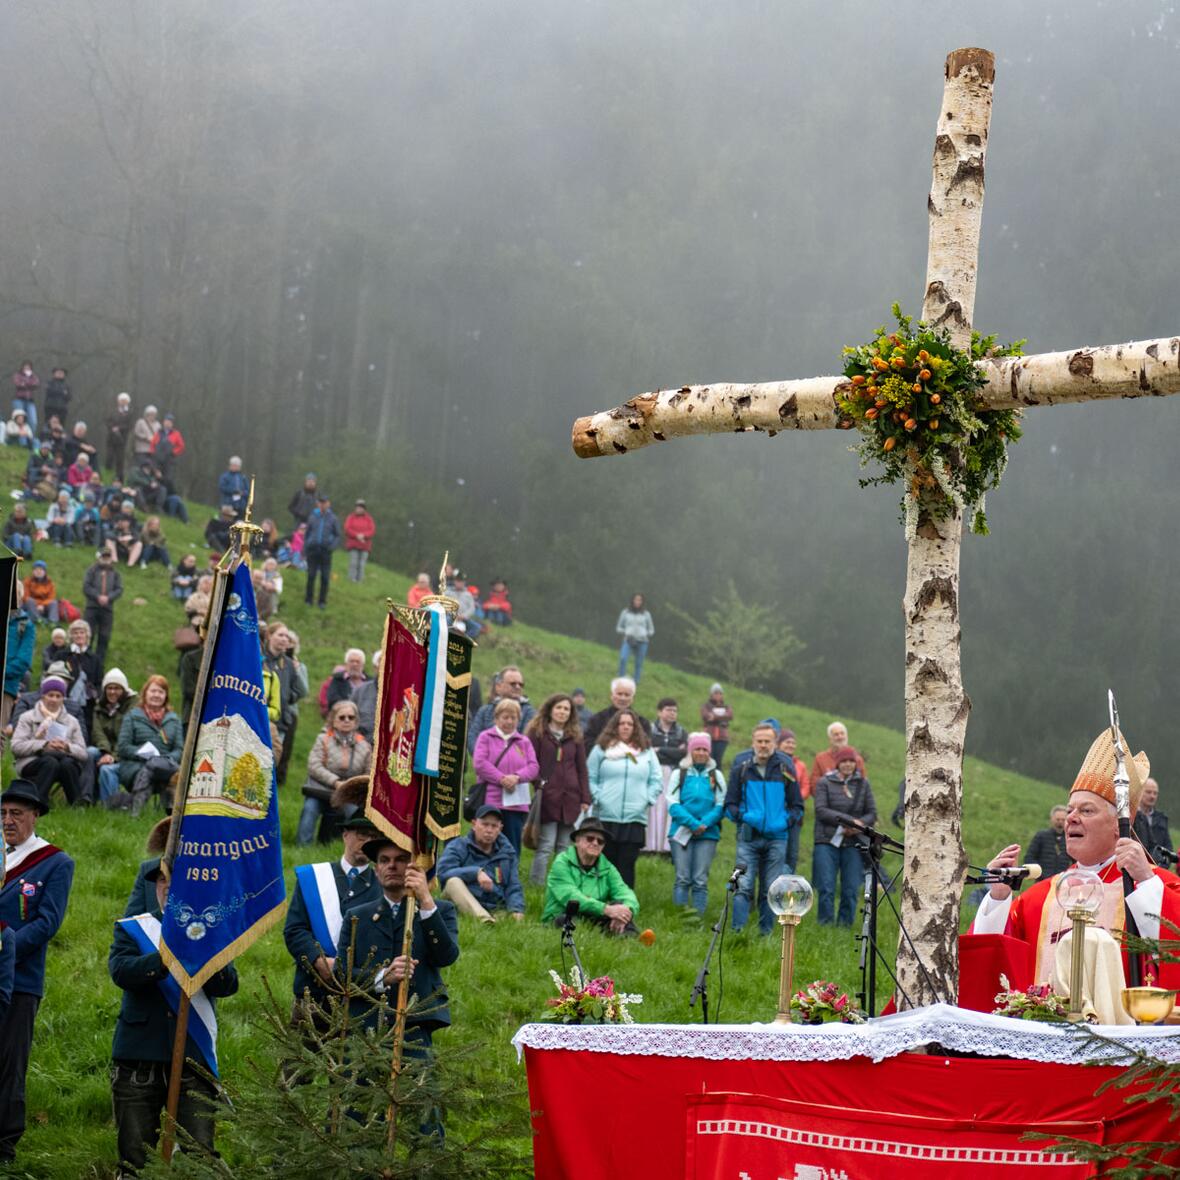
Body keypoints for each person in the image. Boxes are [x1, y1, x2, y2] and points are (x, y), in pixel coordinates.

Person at [973, 730, 1180, 990]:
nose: (1071, 818)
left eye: (1086, 810)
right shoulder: (1040, 897)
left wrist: (1147, 884)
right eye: (1070, 809)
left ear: (1119, 825)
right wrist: (999, 897)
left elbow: (1172, 951)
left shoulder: (1156, 886)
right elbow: (992, 963)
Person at [109, 861, 238, 1174]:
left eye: (176, 879)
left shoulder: (211, 931)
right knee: (135, 1159)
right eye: (161, 880)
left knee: (199, 1156)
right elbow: (122, 971)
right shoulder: (133, 927)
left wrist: (200, 952)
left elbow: (228, 985)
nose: (167, 886)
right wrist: (165, 957)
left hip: (193, 1055)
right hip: (141, 1053)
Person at [0, 781, 75, 1165]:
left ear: (35, 816)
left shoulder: (54, 862)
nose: (8, 821)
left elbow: (47, 923)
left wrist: (4, 951)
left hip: (20, 980)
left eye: (17, 813)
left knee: (9, 1064)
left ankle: (4, 1147)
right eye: (3, 813)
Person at [344, 836, 459, 1053]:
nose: (392, 865)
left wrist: (425, 900)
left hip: (415, 1025)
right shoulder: (357, 916)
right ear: (376, 870)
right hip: (365, 1025)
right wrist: (381, 977)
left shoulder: (440, 910)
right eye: (384, 860)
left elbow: (446, 956)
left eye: (401, 859)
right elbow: (342, 974)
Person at [284, 815, 379, 1010]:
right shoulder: (314, 878)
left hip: (364, 994)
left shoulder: (384, 886)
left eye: (374, 837)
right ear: (345, 835)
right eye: (362, 835)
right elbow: (295, 930)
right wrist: (317, 960)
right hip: (314, 988)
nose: (368, 842)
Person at [725, 723, 804, 935]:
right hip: (748, 838)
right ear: (753, 743)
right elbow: (729, 805)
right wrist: (745, 817)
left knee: (772, 889)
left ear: (775, 744)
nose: (763, 745)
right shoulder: (741, 769)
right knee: (744, 886)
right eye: (759, 741)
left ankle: (766, 934)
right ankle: (737, 933)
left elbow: (798, 805)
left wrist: (784, 821)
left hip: (777, 838)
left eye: (767, 741)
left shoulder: (785, 770)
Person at [587, 708, 662, 890]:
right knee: (605, 864)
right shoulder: (601, 749)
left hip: (634, 818)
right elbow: (590, 777)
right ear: (614, 726)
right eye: (622, 723)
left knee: (627, 865)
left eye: (630, 724)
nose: (626, 727)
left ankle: (625, 908)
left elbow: (656, 780)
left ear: (636, 727)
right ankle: (602, 907)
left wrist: (647, 799)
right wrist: (598, 797)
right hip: (606, 816)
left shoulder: (646, 752)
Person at [525, 694, 591, 886]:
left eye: (566, 709)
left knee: (564, 846)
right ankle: (536, 886)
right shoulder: (537, 732)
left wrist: (585, 797)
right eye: (559, 708)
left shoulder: (575, 736)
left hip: (571, 799)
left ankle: (560, 885)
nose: (562, 712)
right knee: (545, 845)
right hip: (547, 799)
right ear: (550, 709)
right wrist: (539, 784)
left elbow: (582, 768)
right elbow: (530, 761)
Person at [812, 746, 877, 927]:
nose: (848, 765)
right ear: (838, 764)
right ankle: (824, 924)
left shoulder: (863, 784)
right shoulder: (825, 783)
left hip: (853, 843)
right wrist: (850, 821)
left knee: (850, 888)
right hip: (826, 841)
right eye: (844, 761)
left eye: (851, 761)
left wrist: (859, 826)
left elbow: (872, 813)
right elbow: (821, 810)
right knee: (826, 886)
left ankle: (845, 926)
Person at [540, 818, 641, 935]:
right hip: (563, 914)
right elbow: (570, 897)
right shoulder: (562, 862)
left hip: (595, 915)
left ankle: (631, 940)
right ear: (577, 840)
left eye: (600, 841)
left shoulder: (608, 867)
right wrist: (606, 909)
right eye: (590, 838)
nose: (595, 843)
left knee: (620, 904)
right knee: (568, 920)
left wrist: (624, 911)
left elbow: (626, 893)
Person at [296, 700, 372, 846]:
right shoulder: (322, 739)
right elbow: (314, 766)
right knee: (309, 810)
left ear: (356, 721)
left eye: (351, 717)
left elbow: (368, 772)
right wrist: (335, 782)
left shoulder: (365, 745)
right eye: (342, 717)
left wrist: (350, 786)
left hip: (348, 793)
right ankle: (302, 848)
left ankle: (355, 849)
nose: (347, 721)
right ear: (333, 720)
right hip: (321, 790)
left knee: (355, 815)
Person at [667, 733, 728, 915]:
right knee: (682, 878)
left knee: (700, 879)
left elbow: (720, 804)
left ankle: (697, 919)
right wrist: (693, 823)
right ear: (690, 751)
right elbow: (672, 803)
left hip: (708, 834)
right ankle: (680, 917)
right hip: (681, 832)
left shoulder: (716, 775)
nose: (701, 752)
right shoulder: (679, 774)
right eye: (697, 749)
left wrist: (704, 824)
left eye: (704, 749)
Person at [436, 805, 526, 924]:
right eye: (485, 824)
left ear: (500, 828)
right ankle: (484, 920)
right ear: (474, 824)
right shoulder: (458, 845)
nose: (489, 830)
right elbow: (443, 873)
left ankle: (490, 919)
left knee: (510, 917)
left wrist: (517, 909)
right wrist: (476, 872)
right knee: (453, 882)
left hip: (494, 904)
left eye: (494, 826)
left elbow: (513, 885)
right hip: (461, 900)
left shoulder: (507, 853)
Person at [472, 697, 539, 855]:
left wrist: (516, 777)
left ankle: (510, 878)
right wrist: (501, 779)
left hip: (516, 804)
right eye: (505, 717)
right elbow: (480, 763)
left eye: (513, 717)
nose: (509, 721)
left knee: (512, 847)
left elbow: (534, 767)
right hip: (491, 802)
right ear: (496, 718)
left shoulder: (524, 742)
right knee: (487, 845)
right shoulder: (485, 737)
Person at [11, 673, 88, 807]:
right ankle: (37, 803)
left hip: (63, 759)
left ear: (63, 698)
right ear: (43, 696)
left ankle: (76, 805)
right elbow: (16, 747)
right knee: (50, 762)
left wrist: (66, 747)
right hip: (32, 761)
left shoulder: (72, 721)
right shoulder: (27, 717)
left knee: (67, 764)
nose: (54, 699)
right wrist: (44, 744)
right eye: (50, 695)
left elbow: (83, 753)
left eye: (58, 696)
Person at [113, 675, 184, 815]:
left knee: (157, 768)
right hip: (134, 765)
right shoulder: (132, 716)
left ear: (166, 696)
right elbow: (123, 747)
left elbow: (179, 750)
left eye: (161, 692)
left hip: (166, 764)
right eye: (153, 691)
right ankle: (170, 813)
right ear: (145, 693)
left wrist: (164, 759)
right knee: (151, 768)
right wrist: (144, 755)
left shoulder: (174, 720)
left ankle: (136, 811)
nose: (156, 695)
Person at [264, 621, 307, 788]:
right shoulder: (258, 658)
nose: (284, 639)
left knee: (271, 763)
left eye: (287, 637)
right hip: (260, 718)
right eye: (280, 635)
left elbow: (302, 691)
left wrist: (289, 696)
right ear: (269, 636)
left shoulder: (289, 664)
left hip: (280, 722)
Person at [646, 697, 687, 854]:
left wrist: (660, 750)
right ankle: (650, 846)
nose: (672, 713)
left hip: (673, 774)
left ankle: (666, 846)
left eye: (675, 711)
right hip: (653, 773)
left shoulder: (682, 732)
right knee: (654, 808)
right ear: (659, 712)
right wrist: (672, 751)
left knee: (669, 808)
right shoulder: (649, 729)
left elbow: (683, 754)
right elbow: (648, 751)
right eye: (669, 710)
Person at [466, 665, 535, 753]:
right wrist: (483, 757)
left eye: (521, 684)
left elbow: (526, 742)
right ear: (498, 687)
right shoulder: (485, 711)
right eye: (513, 683)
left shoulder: (529, 713)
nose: (518, 687)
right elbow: (473, 737)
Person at [92, 668, 136, 804]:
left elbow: (126, 735)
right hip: (106, 750)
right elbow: (97, 732)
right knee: (89, 753)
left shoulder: (133, 708)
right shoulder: (99, 707)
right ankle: (88, 796)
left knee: (106, 769)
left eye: (117, 688)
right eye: (109, 688)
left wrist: (113, 756)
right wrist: (105, 752)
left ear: (123, 690)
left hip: (125, 753)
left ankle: (111, 805)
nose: (112, 692)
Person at [778, 728, 812, 878]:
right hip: (777, 812)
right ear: (779, 744)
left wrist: (795, 798)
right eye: (787, 742)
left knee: (792, 852)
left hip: (795, 814)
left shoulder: (801, 765)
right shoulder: (775, 762)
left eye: (793, 742)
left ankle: (788, 885)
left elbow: (806, 786)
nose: (791, 745)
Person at [82, 549, 123, 666]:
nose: (106, 559)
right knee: (88, 634)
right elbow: (86, 586)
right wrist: (97, 596)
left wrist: (108, 598)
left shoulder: (115, 573)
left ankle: (99, 663)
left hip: (107, 609)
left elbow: (119, 589)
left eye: (108, 557)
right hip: (92, 607)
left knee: (104, 636)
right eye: (103, 556)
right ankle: (85, 659)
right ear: (99, 557)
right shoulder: (91, 570)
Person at [582, 676, 649, 749]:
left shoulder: (642, 723)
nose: (623, 698)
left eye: (627, 695)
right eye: (619, 694)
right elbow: (587, 742)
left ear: (632, 698)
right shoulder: (597, 720)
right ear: (612, 695)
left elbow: (646, 745)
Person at [303, 492, 340, 609]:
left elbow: (337, 535)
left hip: (326, 551)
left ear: (328, 504)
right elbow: (307, 533)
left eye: (325, 502)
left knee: (324, 577)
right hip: (313, 550)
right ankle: (308, 599)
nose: (323, 505)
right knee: (311, 575)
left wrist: (332, 547)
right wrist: (306, 546)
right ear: (318, 504)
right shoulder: (312, 516)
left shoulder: (333, 518)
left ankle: (322, 601)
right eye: (320, 502)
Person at [810, 720, 867, 785]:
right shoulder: (820, 758)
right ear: (830, 739)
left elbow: (863, 783)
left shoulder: (857, 758)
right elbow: (814, 783)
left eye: (842, 733)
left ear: (847, 736)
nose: (840, 737)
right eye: (836, 734)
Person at [616, 592, 654, 683]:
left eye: (640, 600)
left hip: (642, 642)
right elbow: (618, 628)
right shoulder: (625, 612)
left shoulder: (646, 614)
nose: (638, 602)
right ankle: (621, 678)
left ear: (642, 602)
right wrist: (626, 633)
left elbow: (651, 630)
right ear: (632, 600)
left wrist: (645, 634)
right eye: (636, 599)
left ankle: (636, 682)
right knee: (623, 658)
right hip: (628, 640)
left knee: (638, 663)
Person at [1026, 805, 1072, 879]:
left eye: (1063, 820)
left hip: (1062, 881)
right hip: (1042, 881)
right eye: (1058, 819)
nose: (1060, 822)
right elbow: (1029, 858)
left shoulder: (1070, 839)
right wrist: (1040, 874)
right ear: (1052, 819)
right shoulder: (1041, 836)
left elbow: (1076, 861)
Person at [1134, 777, 1172, 861]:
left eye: (1155, 793)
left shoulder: (1162, 818)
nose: (1152, 796)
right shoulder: (1132, 816)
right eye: (1148, 792)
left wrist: (1162, 864)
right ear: (1140, 792)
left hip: (1157, 866)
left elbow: (1168, 847)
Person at [700, 683, 734, 771]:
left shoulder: (727, 706)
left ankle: (718, 781)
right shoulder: (706, 706)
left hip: (722, 739)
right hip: (708, 737)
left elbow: (729, 715)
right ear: (711, 694)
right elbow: (706, 716)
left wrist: (714, 717)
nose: (718, 695)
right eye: (716, 693)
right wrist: (722, 716)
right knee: (709, 760)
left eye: (720, 693)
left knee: (718, 761)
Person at [150, 411, 185, 494]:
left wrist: (173, 453)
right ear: (163, 422)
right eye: (166, 421)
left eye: (170, 422)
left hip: (168, 460)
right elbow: (152, 444)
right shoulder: (158, 432)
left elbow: (181, 446)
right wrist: (153, 453)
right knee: (155, 477)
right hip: (157, 459)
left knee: (167, 479)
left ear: (172, 424)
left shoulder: (176, 434)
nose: (167, 423)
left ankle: (167, 495)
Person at [343, 498, 375, 583]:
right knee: (353, 563)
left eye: (361, 507)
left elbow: (372, 530)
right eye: (357, 507)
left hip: (365, 545)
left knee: (361, 564)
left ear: (364, 509)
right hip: (353, 544)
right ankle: (351, 580)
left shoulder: (369, 519)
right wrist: (356, 535)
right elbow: (347, 528)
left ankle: (359, 581)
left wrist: (363, 535)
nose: (359, 509)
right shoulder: (351, 517)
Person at [106, 392, 133, 481]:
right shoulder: (113, 411)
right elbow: (107, 421)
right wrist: (112, 428)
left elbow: (129, 425)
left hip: (121, 439)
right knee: (109, 456)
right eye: (121, 400)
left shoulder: (129, 413)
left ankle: (119, 478)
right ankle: (107, 473)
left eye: (124, 401)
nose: (122, 402)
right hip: (111, 438)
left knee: (120, 459)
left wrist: (119, 428)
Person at [11, 361, 39, 435]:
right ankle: (16, 436)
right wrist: (29, 384)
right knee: (18, 419)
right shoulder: (18, 375)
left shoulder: (33, 376)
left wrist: (25, 383)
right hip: (19, 400)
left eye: (29, 367)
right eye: (25, 367)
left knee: (33, 421)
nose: (27, 368)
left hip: (30, 401)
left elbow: (36, 384)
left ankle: (30, 438)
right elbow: (18, 384)